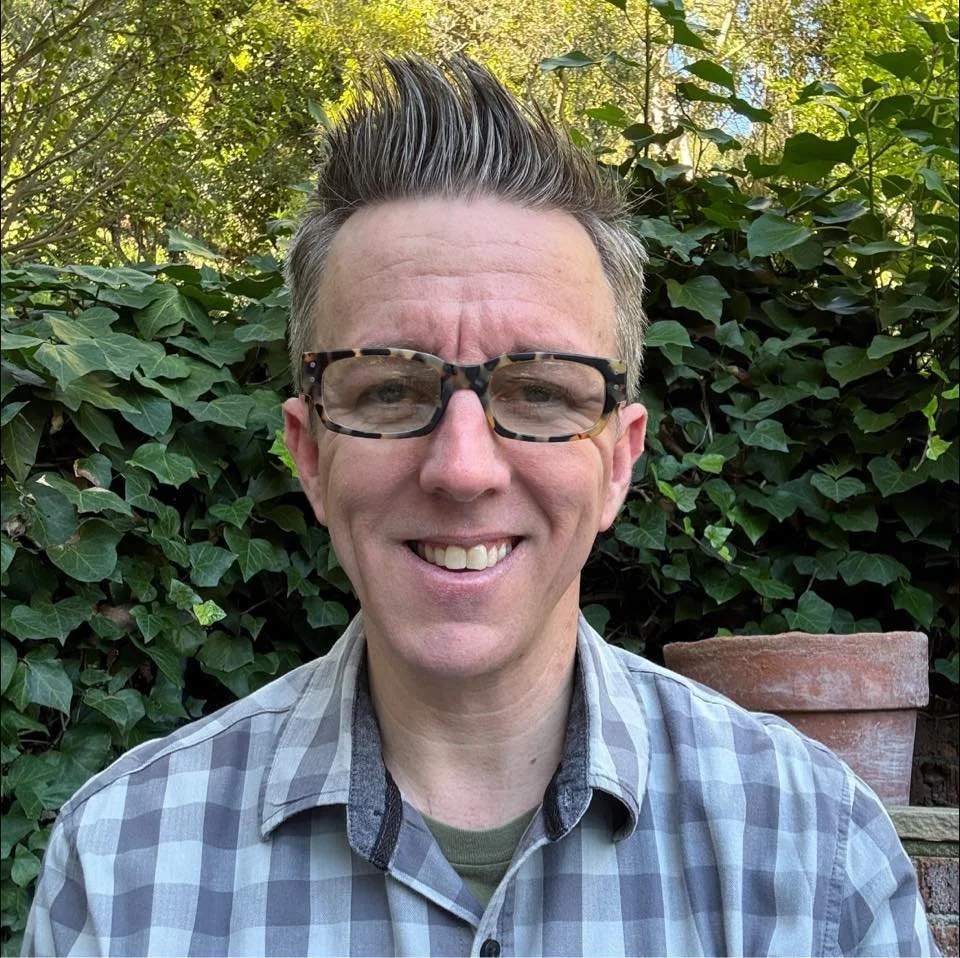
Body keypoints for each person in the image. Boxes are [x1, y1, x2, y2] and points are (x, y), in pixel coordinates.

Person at [24, 55, 937, 958]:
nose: (463, 470)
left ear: (618, 462)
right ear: (309, 454)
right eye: (387, 391)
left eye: (541, 391)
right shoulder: (119, 868)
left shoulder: (818, 854)